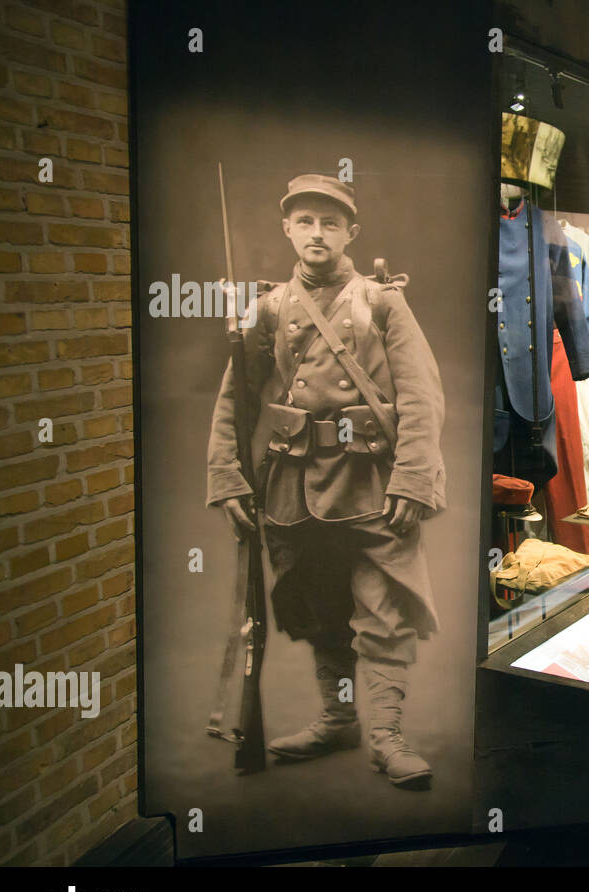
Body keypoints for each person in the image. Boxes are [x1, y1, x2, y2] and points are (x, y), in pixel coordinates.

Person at [206, 174, 447, 789]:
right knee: (319, 608)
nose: (318, 233)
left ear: (351, 233)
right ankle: (339, 719)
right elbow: (236, 402)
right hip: (293, 484)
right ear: (287, 228)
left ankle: (387, 734)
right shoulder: (267, 309)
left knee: (385, 610)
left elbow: (421, 396)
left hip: (370, 481)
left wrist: (414, 479)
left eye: (331, 223)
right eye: (306, 221)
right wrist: (229, 478)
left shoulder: (382, 302)